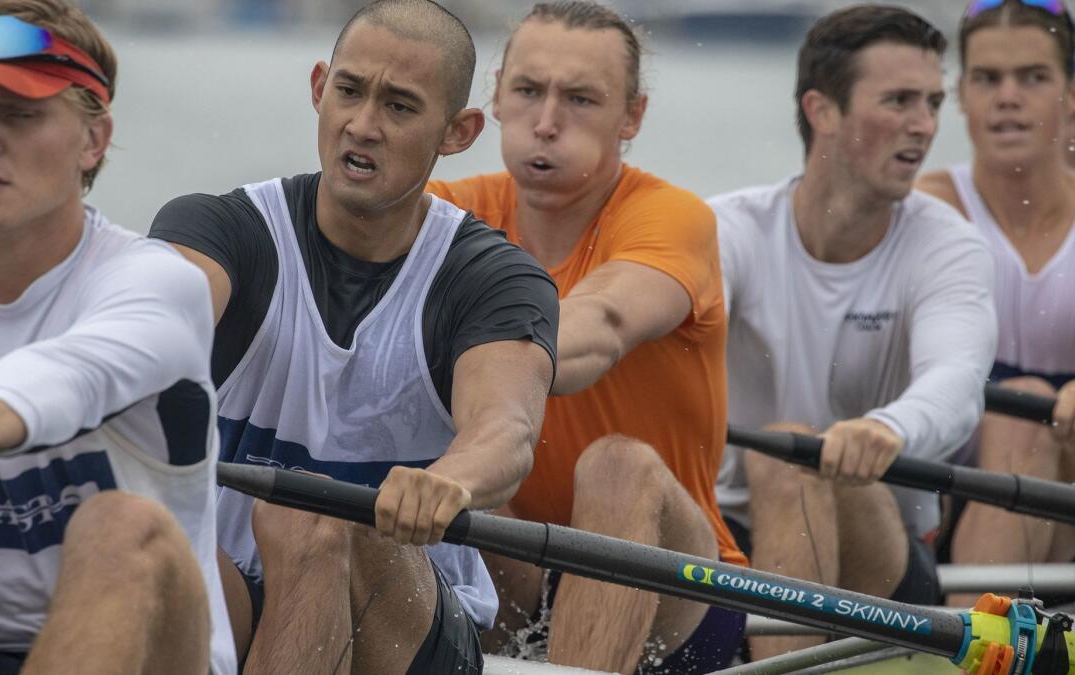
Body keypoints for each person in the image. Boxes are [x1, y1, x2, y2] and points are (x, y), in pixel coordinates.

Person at [148, 0, 560, 672]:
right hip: (231, 589)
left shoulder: (491, 279)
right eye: (348, 91)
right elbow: (142, 335)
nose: (361, 125)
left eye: (399, 107)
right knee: (135, 531)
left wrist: (451, 480)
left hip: (411, 620)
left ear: (457, 132)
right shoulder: (217, 230)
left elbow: (505, 429)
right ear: (319, 88)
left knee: (308, 516)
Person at [0, 1, 235, 674]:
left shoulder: (155, 283)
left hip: (153, 648)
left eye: (18, 113)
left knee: (121, 527)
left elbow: (71, 373)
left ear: (94, 140)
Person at [429, 3, 747, 672]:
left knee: (616, 463)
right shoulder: (443, 212)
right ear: (495, 98)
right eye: (528, 91)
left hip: (676, 587)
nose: (546, 122)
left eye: (579, 99)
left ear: (630, 117)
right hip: (513, 564)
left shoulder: (671, 216)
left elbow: (600, 323)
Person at [709, 4, 998, 660]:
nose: (925, 126)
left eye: (931, 102)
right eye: (898, 101)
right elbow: (665, 328)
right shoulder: (726, 230)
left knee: (791, 453)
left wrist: (887, 429)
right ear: (823, 111)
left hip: (886, 550)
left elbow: (957, 381)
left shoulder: (947, 246)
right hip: (723, 538)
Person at [917, 0, 1075, 607]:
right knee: (1028, 407)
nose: (1008, 97)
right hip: (953, 493)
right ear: (961, 95)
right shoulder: (928, 208)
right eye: (987, 79)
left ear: (1070, 93)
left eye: (1033, 77)